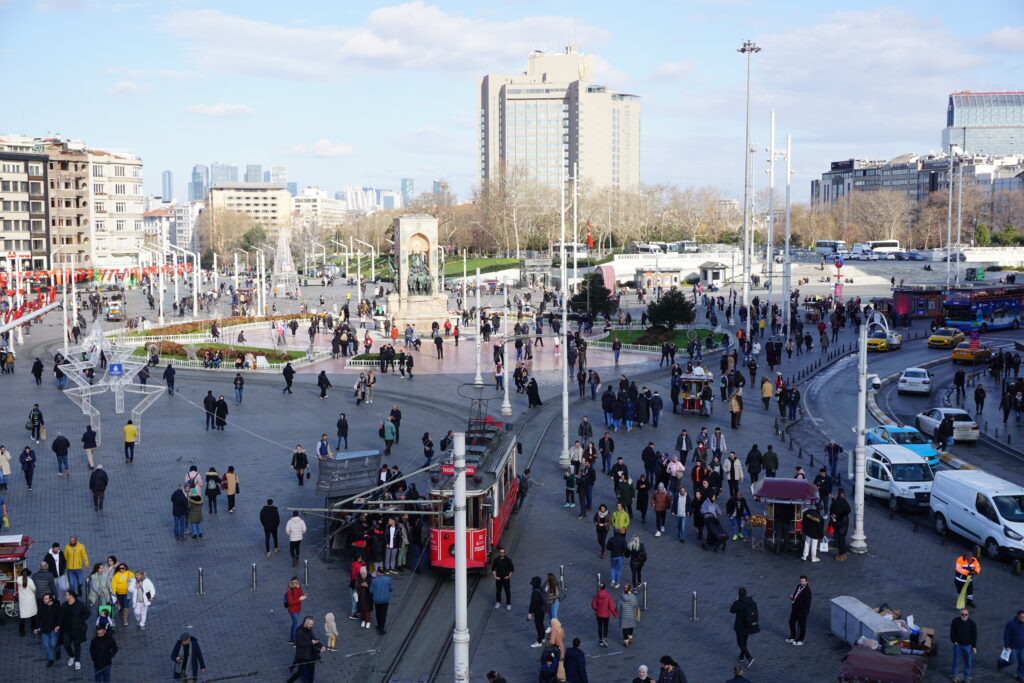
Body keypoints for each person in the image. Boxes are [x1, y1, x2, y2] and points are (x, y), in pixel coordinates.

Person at [60, 589, 90, 671]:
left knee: (77, 645)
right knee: (66, 644)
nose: (65, 596)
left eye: (66, 595)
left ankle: (77, 660)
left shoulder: (80, 604)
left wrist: (81, 620)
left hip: (76, 629)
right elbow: (61, 616)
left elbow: (87, 613)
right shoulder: (64, 605)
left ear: (71, 595)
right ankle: (72, 656)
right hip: (66, 629)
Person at [729, 586, 758, 668]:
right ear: (746, 593)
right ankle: (742, 656)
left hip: (740, 626)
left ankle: (749, 657)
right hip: (749, 625)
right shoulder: (751, 601)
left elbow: (732, 610)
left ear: (739, 594)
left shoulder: (739, 603)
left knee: (739, 642)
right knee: (744, 641)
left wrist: (736, 601)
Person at [950, 607, 977, 682]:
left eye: (966, 614)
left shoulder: (972, 623)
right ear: (960, 614)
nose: (964, 616)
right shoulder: (955, 621)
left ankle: (967, 676)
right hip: (958, 645)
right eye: (963, 614)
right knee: (956, 661)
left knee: (968, 662)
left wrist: (974, 646)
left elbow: (974, 635)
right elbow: (952, 632)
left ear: (968, 615)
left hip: (968, 646)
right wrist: (953, 641)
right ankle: (954, 675)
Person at [35, 592, 61, 667]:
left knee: (53, 644)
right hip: (44, 630)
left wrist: (58, 625)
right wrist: (37, 627)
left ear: (50, 599)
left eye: (46, 599)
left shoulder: (56, 607)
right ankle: (51, 659)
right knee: (47, 645)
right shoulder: (42, 606)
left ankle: (58, 650)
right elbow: (38, 618)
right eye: (44, 599)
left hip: (53, 629)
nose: (44, 600)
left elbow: (59, 617)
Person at [787, 575, 812, 646]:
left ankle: (801, 639)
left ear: (807, 581)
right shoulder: (798, 586)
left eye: (803, 581)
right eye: (800, 581)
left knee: (801, 626)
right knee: (791, 622)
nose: (801, 582)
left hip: (802, 611)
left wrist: (803, 611)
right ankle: (793, 637)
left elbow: (807, 603)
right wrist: (793, 598)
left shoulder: (807, 591)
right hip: (795, 609)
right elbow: (796, 596)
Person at [590, 583, 618, 647]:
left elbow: (593, 605)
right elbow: (611, 607)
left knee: (600, 626)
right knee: (605, 626)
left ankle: (600, 640)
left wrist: (597, 609)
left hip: (599, 614)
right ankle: (605, 638)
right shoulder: (608, 596)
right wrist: (615, 614)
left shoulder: (597, 595)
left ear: (599, 588)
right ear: (605, 587)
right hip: (606, 615)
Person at [1002, 609, 1024, 681]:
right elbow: (1006, 635)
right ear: (1018, 616)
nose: (1023, 619)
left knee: (1022, 661)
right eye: (1022, 617)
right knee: (1011, 661)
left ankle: (1020, 675)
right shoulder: (1011, 624)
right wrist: (1006, 645)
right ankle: (1001, 663)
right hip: (1013, 647)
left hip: (1022, 647)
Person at [371, 569, 393, 634]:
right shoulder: (388, 579)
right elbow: (391, 588)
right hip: (385, 600)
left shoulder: (374, 580)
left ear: (378, 573)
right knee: (383, 614)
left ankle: (379, 625)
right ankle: (381, 628)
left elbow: (371, 591)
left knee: (378, 613)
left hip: (377, 600)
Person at [285, 576, 307, 643]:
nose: (295, 583)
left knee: (294, 624)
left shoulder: (298, 586)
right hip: (292, 610)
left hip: (297, 609)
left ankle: (291, 639)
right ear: (291, 582)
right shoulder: (289, 591)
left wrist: (303, 595)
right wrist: (299, 599)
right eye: (293, 582)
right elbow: (291, 602)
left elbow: (300, 594)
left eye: (296, 582)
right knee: (297, 625)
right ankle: (295, 641)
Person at [527, 576, 547, 647]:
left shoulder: (535, 592)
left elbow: (532, 603)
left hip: (538, 611)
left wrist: (530, 613)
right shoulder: (541, 589)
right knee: (541, 624)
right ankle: (543, 637)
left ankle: (539, 641)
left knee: (538, 626)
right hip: (543, 610)